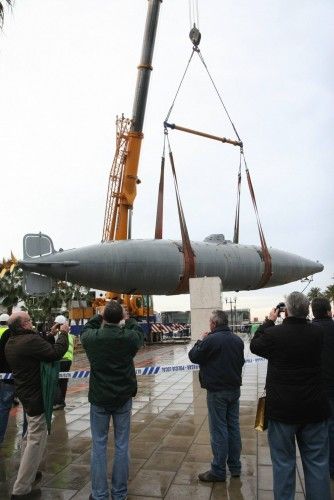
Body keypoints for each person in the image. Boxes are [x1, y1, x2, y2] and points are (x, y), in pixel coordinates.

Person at [250, 292, 331, 500]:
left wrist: (269, 320)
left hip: (282, 411)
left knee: (284, 464)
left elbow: (254, 345)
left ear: (286, 312)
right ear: (307, 310)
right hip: (314, 408)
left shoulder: (275, 335)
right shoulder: (317, 333)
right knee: (317, 464)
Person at [81, 301, 144, 500]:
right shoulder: (129, 338)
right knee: (122, 445)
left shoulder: (92, 338)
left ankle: (99, 494)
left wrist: (100, 315)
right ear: (121, 318)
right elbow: (138, 332)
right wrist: (128, 318)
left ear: (104, 318)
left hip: (99, 398)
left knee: (98, 445)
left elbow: (86, 328)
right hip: (123, 397)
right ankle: (119, 493)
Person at [5, 311, 69, 499]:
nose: (33, 323)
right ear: (24, 324)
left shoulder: (13, 342)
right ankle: (21, 488)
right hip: (36, 397)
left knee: (29, 436)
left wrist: (49, 335)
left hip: (26, 394)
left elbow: (37, 346)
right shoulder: (29, 342)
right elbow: (55, 353)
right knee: (35, 440)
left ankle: (29, 474)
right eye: (30, 320)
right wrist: (63, 333)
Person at [188, 309, 245, 482]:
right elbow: (240, 362)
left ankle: (218, 470)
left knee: (219, 429)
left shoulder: (211, 339)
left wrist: (202, 340)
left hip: (217, 392)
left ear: (214, 324)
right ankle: (235, 467)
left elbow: (193, 356)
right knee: (233, 427)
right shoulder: (237, 340)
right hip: (234, 389)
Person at [312, 296, 334, 479]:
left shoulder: (310, 331)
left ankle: (322, 465)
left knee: (319, 430)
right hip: (331, 387)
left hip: (316, 389)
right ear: (329, 311)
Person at [51, 314, 74, 410]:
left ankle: (59, 402)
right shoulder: (69, 335)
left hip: (60, 360)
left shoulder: (59, 335)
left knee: (55, 381)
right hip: (68, 360)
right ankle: (61, 401)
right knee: (63, 381)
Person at [0, 312, 14, 444]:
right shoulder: (26, 336)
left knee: (3, 407)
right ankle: (26, 438)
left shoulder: (4, 335)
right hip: (23, 379)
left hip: (6, 377)